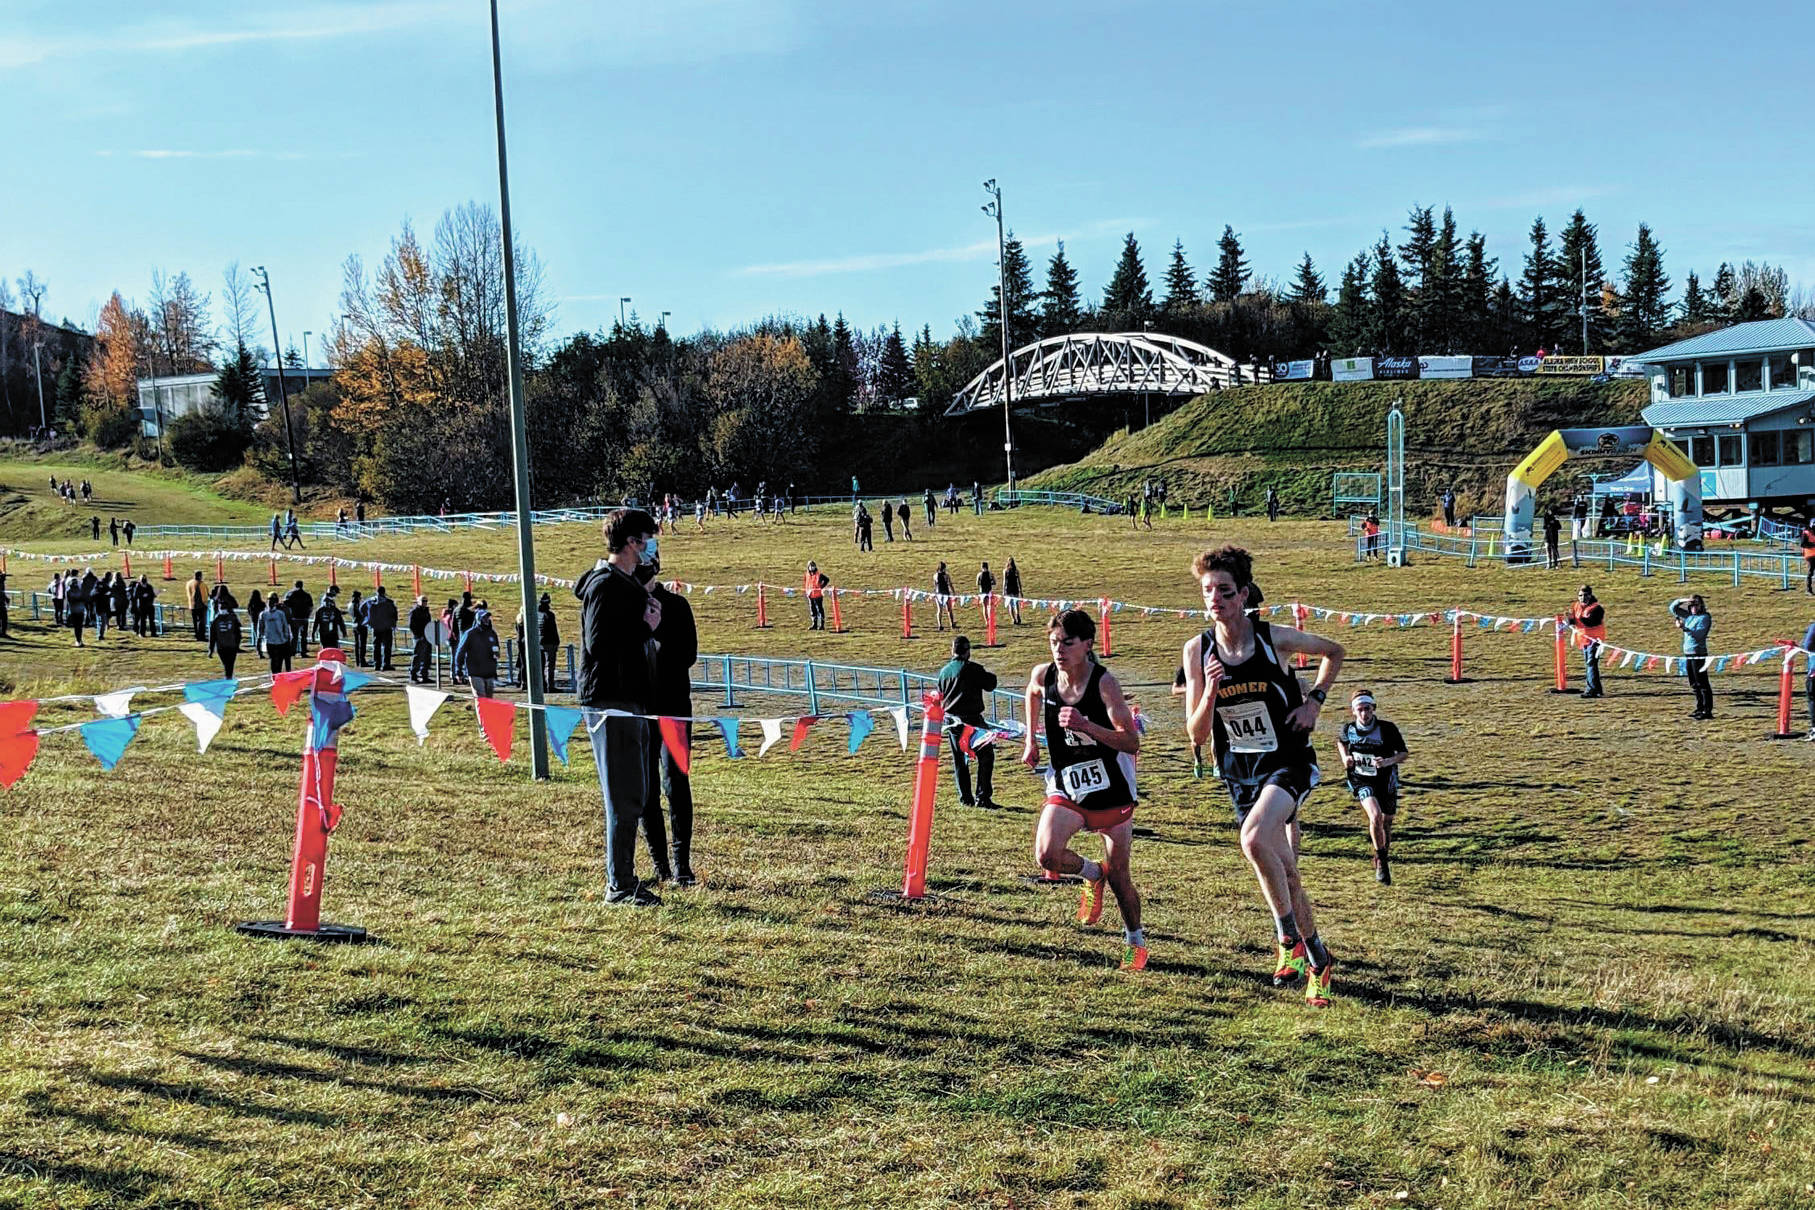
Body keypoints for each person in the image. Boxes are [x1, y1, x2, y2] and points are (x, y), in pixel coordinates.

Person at [1182, 545, 1345, 1008]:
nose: (1216, 599)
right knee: (1287, 873)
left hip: (1289, 760)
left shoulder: (1272, 639)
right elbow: (1195, 731)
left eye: (1225, 591)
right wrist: (1211, 688)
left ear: (1244, 593)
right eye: (1208, 590)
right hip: (1240, 770)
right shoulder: (1198, 650)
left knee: (1254, 840)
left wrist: (1314, 701)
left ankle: (1285, 934)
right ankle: (1318, 959)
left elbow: (1334, 651)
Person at [1021, 609, 1146, 971]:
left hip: (1112, 788)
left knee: (1122, 877)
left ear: (1087, 645)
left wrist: (1087, 726)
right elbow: (1030, 692)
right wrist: (1031, 739)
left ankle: (1135, 942)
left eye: (1067, 643)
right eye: (1054, 642)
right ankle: (1092, 873)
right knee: (1046, 856)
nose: (1058, 650)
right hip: (1068, 783)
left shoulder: (1104, 684)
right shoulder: (1043, 676)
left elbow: (1131, 742)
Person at [576, 508, 665, 906]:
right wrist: (643, 627)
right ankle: (619, 884)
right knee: (624, 794)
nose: (649, 546)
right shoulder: (604, 586)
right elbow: (599, 643)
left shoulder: (624, 585)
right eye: (646, 538)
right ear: (631, 541)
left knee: (636, 791)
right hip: (611, 700)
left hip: (632, 698)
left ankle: (625, 877)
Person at [640, 546, 698, 886]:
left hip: (675, 706)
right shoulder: (627, 607)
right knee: (646, 787)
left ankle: (682, 866)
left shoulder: (676, 605)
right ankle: (660, 866)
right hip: (640, 709)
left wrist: (659, 627)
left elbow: (687, 655)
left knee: (675, 783)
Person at [1334, 689, 1409, 885]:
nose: (1364, 714)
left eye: (1367, 709)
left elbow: (1403, 753)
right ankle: (1383, 863)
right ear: (1353, 711)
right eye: (1359, 710)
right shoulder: (1348, 729)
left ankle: (1382, 854)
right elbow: (1341, 742)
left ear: (1373, 708)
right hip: (1361, 780)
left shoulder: (1387, 729)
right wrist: (1345, 757)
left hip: (1386, 780)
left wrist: (1387, 761)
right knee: (1374, 816)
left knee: (1386, 822)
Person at [939, 636, 1000, 809]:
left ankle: (966, 798)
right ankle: (983, 797)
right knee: (986, 756)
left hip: (952, 722)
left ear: (953, 651)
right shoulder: (972, 669)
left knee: (960, 760)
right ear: (968, 651)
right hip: (973, 721)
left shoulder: (944, 672)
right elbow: (990, 684)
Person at [1670, 595, 1714, 719]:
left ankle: (1707, 710)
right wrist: (1683, 600)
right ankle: (1699, 708)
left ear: (1701, 606)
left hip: (1698, 653)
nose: (1693, 607)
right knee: (1694, 683)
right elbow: (1672, 608)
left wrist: (1684, 628)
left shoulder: (1704, 618)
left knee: (1702, 682)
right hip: (1688, 653)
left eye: (1696, 605)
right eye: (1691, 605)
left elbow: (1699, 634)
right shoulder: (1689, 617)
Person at [1568, 585, 1606, 698]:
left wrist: (1578, 619)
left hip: (1595, 640)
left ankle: (1591, 690)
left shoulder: (1597, 608)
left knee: (1591, 664)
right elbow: (1573, 622)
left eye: (1585, 595)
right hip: (1583, 639)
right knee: (1591, 664)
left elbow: (1592, 622)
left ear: (1590, 595)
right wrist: (1569, 618)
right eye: (1580, 595)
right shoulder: (1576, 606)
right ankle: (1597, 689)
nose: (1582, 598)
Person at [460, 610, 500, 697]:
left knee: (489, 700)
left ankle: (488, 711)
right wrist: (458, 671)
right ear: (479, 619)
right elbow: (460, 651)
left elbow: (496, 650)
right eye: (484, 617)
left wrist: (496, 656)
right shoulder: (470, 634)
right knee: (481, 699)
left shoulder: (492, 634)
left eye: (487, 617)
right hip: (475, 672)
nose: (486, 620)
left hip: (489, 672)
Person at [367, 586, 398, 671]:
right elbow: (394, 614)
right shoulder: (389, 602)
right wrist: (394, 623)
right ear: (384, 592)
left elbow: (362, 609)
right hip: (386, 627)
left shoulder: (371, 601)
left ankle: (377, 664)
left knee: (376, 646)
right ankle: (386, 664)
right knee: (387, 646)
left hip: (376, 627)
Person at [261, 601, 294, 673]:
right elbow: (261, 627)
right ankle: (274, 675)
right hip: (270, 641)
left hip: (280, 641)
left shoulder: (280, 614)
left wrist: (285, 636)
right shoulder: (264, 614)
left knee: (280, 659)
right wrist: (262, 637)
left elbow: (285, 625)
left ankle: (278, 674)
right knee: (273, 659)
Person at [283, 580, 314, 657]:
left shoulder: (290, 594)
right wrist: (307, 615)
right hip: (304, 618)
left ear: (295, 585)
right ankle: (303, 652)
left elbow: (285, 605)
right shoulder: (307, 595)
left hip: (294, 618)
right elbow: (311, 607)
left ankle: (292, 652)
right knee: (304, 636)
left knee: (294, 636)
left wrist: (288, 616)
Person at [212, 603, 243, 678]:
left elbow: (238, 633)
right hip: (221, 647)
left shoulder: (233, 619)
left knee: (230, 664)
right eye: (221, 608)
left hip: (231, 646)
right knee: (227, 664)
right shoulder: (216, 620)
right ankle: (228, 677)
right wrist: (211, 648)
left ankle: (228, 677)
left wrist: (237, 645)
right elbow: (213, 635)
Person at [409, 594, 434, 683]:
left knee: (427, 656)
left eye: (426, 601)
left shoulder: (426, 611)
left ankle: (424, 675)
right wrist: (418, 635)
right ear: (419, 602)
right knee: (417, 656)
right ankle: (413, 675)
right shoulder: (415, 611)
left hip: (427, 636)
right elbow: (412, 625)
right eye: (423, 601)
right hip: (419, 637)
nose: (425, 603)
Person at [315, 587, 348, 653]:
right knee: (331, 646)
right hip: (328, 627)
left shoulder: (327, 600)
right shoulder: (326, 600)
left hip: (327, 627)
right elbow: (331, 611)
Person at [537, 592, 559, 690]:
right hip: (550, 642)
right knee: (550, 665)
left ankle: (543, 685)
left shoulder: (537, 614)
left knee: (541, 665)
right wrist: (556, 641)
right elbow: (553, 630)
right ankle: (550, 686)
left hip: (539, 641)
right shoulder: (549, 615)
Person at [804, 561, 829, 630]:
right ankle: (814, 624)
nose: (812, 568)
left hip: (818, 595)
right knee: (813, 610)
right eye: (810, 566)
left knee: (820, 610)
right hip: (810, 595)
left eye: (813, 566)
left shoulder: (819, 575)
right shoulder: (807, 575)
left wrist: (821, 587)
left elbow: (827, 579)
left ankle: (822, 625)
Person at [185, 571, 208, 642]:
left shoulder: (188, 583)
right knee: (201, 622)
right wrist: (205, 603)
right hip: (200, 605)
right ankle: (202, 636)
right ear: (200, 576)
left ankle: (197, 635)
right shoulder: (201, 584)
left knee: (195, 622)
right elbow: (204, 595)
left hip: (191, 605)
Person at [933, 562, 957, 630]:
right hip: (946, 594)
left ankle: (940, 625)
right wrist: (954, 593)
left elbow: (935, 586)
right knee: (949, 610)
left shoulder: (935, 575)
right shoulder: (946, 576)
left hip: (938, 594)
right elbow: (950, 584)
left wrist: (934, 593)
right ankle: (952, 624)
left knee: (939, 610)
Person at [348, 589, 368, 666]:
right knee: (362, 644)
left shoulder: (350, 605)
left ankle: (358, 660)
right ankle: (362, 660)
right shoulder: (357, 605)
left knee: (357, 643)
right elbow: (361, 614)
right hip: (361, 625)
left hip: (354, 624)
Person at [1002, 558, 1023, 625]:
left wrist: (1003, 590)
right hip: (1015, 588)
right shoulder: (1016, 571)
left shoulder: (1005, 571)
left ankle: (1013, 619)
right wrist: (1021, 590)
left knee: (1010, 605)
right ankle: (1017, 614)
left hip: (1008, 589)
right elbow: (1019, 581)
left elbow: (1004, 581)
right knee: (1016, 603)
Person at [247, 589, 266, 655]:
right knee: (261, 635)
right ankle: (262, 648)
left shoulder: (251, 604)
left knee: (257, 635)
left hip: (254, 620)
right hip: (261, 620)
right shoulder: (262, 604)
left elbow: (249, 611)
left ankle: (258, 650)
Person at [1800, 517, 1815, 594]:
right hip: (1810, 555)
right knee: (1810, 572)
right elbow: (1803, 544)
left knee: (1811, 572)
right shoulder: (1806, 532)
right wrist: (1813, 545)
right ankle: (1808, 590)